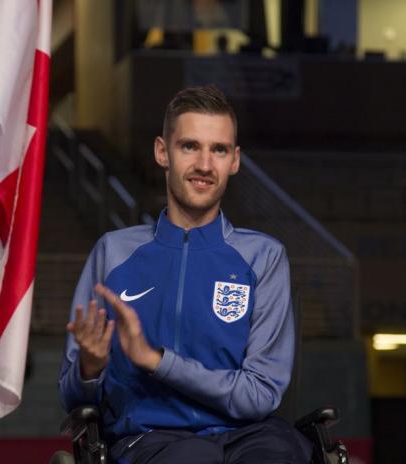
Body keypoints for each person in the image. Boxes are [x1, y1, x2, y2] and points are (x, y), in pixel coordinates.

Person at [59, 85, 312, 463]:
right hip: (147, 439)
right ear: (163, 152)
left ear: (235, 160)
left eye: (219, 150)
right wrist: (89, 368)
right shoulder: (113, 253)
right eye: (190, 146)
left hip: (247, 436)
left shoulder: (264, 257)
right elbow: (72, 396)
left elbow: (260, 395)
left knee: (282, 452)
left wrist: (158, 361)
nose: (205, 165)